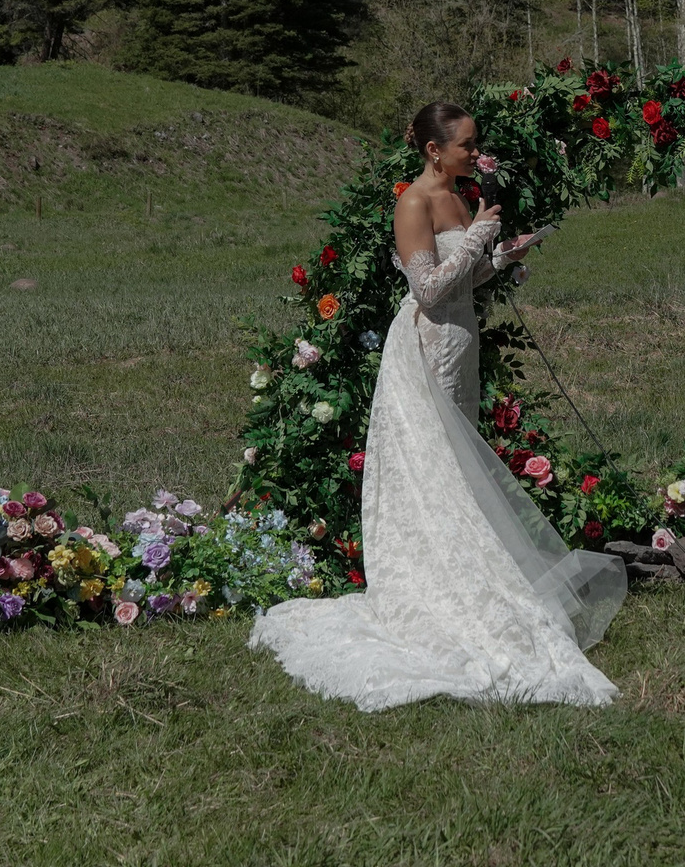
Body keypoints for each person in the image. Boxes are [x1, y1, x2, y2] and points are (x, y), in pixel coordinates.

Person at [248, 100, 629, 709]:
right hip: (425, 346)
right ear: (433, 151)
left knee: (462, 465)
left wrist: (502, 257)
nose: (476, 154)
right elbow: (426, 288)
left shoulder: (457, 196)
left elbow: (463, 278)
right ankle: (437, 587)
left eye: (476, 145)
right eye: (466, 146)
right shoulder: (415, 202)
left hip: (463, 340)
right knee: (434, 468)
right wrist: (482, 232)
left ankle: (473, 574)